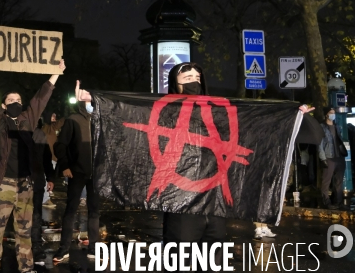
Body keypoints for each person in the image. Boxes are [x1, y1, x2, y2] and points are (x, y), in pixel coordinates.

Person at [74, 62, 316, 269]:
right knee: (182, 261)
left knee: (215, 262)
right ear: (175, 82)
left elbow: (256, 118)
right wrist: (92, 98)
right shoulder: (165, 107)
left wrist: (291, 114)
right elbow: (129, 107)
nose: (194, 81)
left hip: (215, 204)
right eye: (187, 77)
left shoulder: (218, 109)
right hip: (181, 204)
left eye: (197, 77)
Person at [0, 52, 65, 273]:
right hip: (3, 183)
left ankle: (27, 268)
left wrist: (56, 74)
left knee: (24, 232)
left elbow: (41, 98)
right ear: (3, 105)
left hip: (25, 185)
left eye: (18, 100)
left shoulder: (27, 120)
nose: (16, 103)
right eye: (11, 100)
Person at [52, 100, 100, 263]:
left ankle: (93, 247)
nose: (90, 103)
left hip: (96, 173)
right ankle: (64, 248)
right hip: (76, 171)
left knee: (94, 211)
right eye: (86, 100)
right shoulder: (73, 119)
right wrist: (65, 165)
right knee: (71, 209)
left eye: (91, 100)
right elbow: (60, 145)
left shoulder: (101, 118)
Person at [30, 121, 55, 261]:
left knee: (36, 214)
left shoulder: (40, 134)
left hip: (37, 180)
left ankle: (36, 246)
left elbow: (46, 158)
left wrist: (50, 178)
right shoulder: (15, 131)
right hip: (20, 181)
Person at [319, 107, 346, 210]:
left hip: (339, 156)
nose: (333, 115)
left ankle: (339, 202)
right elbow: (320, 144)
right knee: (326, 181)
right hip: (329, 157)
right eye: (331, 113)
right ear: (326, 114)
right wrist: (323, 158)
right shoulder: (322, 127)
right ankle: (326, 202)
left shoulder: (337, 126)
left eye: (334, 113)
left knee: (339, 181)